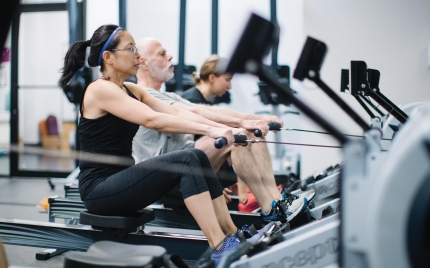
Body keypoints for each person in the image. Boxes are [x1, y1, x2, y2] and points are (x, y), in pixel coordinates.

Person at [58, 24, 273, 265]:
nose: (137, 55)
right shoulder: (99, 90)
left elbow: (176, 111)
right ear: (108, 57)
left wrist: (229, 128)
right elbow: (153, 119)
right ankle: (220, 246)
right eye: (130, 49)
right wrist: (211, 130)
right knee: (187, 160)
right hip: (99, 189)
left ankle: (232, 235)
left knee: (197, 157)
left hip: (122, 180)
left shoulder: (129, 89)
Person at [132, 37, 309, 222]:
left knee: (250, 133)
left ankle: (276, 200)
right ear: (143, 62)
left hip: (186, 161)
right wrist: (241, 123)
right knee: (238, 136)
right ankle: (269, 210)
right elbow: (196, 110)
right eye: (162, 53)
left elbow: (211, 109)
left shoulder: (167, 95)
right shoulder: (141, 93)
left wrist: (258, 120)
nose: (170, 56)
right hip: (165, 175)